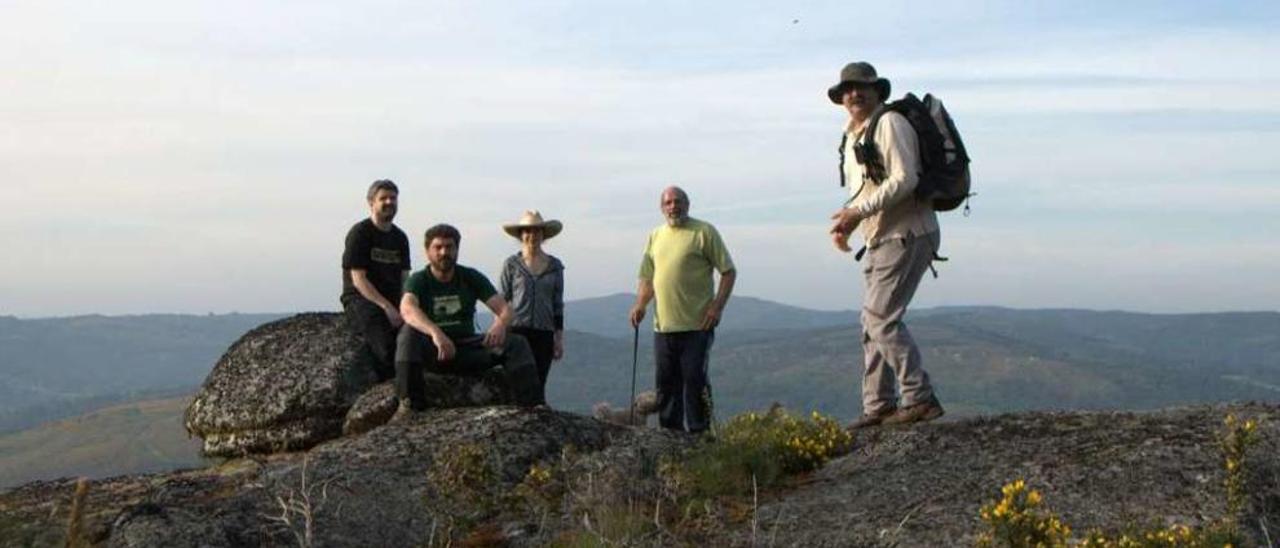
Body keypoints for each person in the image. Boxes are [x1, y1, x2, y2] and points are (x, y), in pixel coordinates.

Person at [827, 61, 945, 428]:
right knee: (871, 323)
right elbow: (866, 190)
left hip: (908, 232)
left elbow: (905, 178)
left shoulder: (890, 124)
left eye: (862, 87)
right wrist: (850, 221)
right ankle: (878, 405)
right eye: (847, 89)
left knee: (880, 318)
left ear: (878, 91)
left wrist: (857, 212)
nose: (854, 94)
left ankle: (919, 397)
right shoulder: (853, 136)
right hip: (881, 237)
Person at [395, 223, 544, 414]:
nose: (443, 252)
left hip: (467, 348)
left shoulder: (470, 277)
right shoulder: (419, 279)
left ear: (457, 249)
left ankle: (532, 405)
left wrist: (499, 324)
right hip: (434, 352)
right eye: (438, 247)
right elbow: (407, 309)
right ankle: (410, 404)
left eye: (449, 247)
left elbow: (506, 310)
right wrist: (436, 333)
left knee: (517, 343)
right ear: (427, 251)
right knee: (408, 334)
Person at [628, 186, 736, 434]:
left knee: (695, 383)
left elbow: (729, 272)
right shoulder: (655, 236)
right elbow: (647, 278)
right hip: (663, 326)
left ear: (688, 204)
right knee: (665, 385)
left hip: (698, 325)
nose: (673, 206)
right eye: (668, 203)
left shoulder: (704, 232)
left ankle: (701, 436)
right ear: (661, 207)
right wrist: (640, 305)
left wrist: (716, 307)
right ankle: (670, 435)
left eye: (678, 201)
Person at [340, 179, 410, 381]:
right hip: (361, 299)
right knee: (385, 343)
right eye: (383, 198)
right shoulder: (360, 233)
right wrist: (387, 308)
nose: (389, 202)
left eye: (393, 198)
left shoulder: (400, 237)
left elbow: (405, 277)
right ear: (371, 203)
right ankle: (390, 387)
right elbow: (358, 279)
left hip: (394, 299)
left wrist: (406, 306)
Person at [499, 210, 566, 392]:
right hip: (516, 331)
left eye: (536, 231)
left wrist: (558, 338)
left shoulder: (555, 266)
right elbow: (501, 301)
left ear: (543, 235)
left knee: (539, 382)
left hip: (544, 332)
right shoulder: (511, 265)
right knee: (515, 381)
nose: (532, 235)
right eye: (527, 231)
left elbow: (557, 304)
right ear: (521, 235)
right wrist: (499, 330)